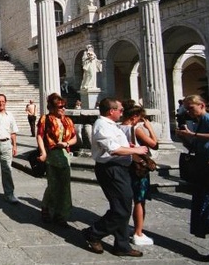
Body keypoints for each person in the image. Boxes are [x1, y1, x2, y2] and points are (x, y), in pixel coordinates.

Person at [82, 98, 148, 257]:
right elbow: (113, 149)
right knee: (121, 209)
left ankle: (122, 245)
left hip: (120, 169)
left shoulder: (110, 125)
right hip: (111, 169)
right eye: (119, 109)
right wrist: (136, 151)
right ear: (111, 111)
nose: (122, 112)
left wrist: (129, 148)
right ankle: (93, 233)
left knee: (122, 205)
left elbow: (117, 146)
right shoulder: (102, 125)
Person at [176, 95, 209, 264]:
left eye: (191, 107)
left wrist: (193, 134)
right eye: (186, 108)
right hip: (206, 170)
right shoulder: (200, 121)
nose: (188, 111)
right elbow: (198, 145)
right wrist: (186, 138)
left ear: (202, 105)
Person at [118, 104, 158, 246]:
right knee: (139, 201)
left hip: (124, 166)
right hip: (138, 167)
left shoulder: (118, 128)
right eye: (140, 118)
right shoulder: (137, 129)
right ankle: (138, 232)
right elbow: (154, 144)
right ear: (134, 117)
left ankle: (122, 228)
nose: (140, 121)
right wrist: (150, 128)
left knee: (126, 199)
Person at [36, 93, 77, 226]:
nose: (63, 109)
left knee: (65, 186)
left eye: (64, 106)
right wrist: (43, 152)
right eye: (60, 107)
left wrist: (66, 144)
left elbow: (74, 138)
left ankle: (61, 215)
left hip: (64, 155)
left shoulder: (68, 121)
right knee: (53, 185)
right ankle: (47, 208)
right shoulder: (45, 119)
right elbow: (40, 136)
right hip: (52, 155)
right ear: (52, 108)